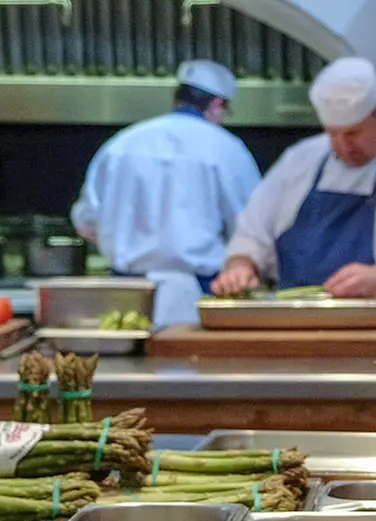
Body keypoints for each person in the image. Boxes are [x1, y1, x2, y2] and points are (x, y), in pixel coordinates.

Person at [210, 57, 376, 311]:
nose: (342, 146)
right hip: (292, 322)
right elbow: (252, 233)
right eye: (332, 133)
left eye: (353, 133)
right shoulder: (299, 160)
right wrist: (240, 265)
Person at [72, 60, 261, 326]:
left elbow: (86, 221)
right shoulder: (226, 149)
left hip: (127, 297)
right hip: (204, 293)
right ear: (217, 104)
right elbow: (251, 225)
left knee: (129, 365)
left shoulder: (121, 144)